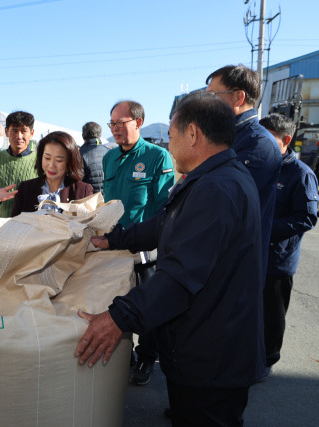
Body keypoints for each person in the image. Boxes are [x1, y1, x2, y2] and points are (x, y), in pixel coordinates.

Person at [76, 91, 265, 426]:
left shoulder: (216, 189)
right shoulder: (212, 178)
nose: (169, 144)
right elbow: (164, 224)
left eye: (172, 136)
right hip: (209, 343)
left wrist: (118, 317)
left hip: (213, 356)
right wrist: (113, 239)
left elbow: (180, 276)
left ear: (193, 134)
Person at [102, 100, 175, 386]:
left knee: (149, 305)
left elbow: (163, 207)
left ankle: (146, 356)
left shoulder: (158, 157)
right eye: (112, 123)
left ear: (139, 122)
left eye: (122, 122)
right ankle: (126, 352)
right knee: (117, 301)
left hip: (145, 248)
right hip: (114, 245)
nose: (116, 128)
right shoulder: (109, 158)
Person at [205, 65, 281, 287]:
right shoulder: (226, 138)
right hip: (216, 260)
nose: (207, 103)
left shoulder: (258, 144)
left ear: (238, 97)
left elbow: (224, 204)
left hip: (236, 266)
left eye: (213, 96)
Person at [258, 113, 318, 376]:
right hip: (251, 253)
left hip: (277, 259)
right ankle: (248, 355)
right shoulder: (260, 167)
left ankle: (267, 360)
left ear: (287, 140)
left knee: (272, 314)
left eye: (269, 140)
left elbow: (307, 217)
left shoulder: (301, 174)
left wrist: (266, 231)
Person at [11, 131, 93, 216]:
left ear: (70, 161)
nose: (51, 165)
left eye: (59, 160)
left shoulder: (83, 191)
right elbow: (14, 224)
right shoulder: (25, 188)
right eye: (47, 158)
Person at [0, 111, 39, 218]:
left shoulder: (40, 161)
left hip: (28, 226)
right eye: (14, 131)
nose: (19, 136)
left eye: (24, 131)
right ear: (6, 132)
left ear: (31, 133)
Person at [79, 121, 109, 194]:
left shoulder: (79, 154)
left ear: (83, 135)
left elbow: (78, 182)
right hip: (108, 199)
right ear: (100, 134)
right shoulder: (109, 151)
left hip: (89, 199)